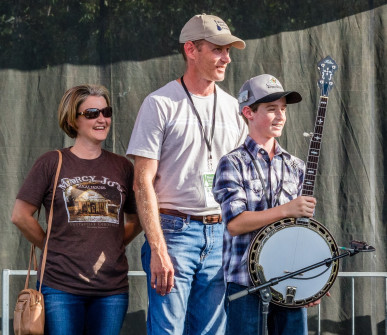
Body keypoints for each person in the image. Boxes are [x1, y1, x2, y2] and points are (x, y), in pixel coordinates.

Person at [126, 13, 247, 335]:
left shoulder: (235, 110)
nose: (226, 58)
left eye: (228, 50)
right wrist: (159, 248)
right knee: (167, 331)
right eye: (218, 49)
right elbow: (142, 182)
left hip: (221, 233)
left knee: (212, 332)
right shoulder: (160, 103)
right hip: (174, 231)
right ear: (191, 50)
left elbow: (241, 184)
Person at [11, 84, 142, 335]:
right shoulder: (52, 162)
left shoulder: (123, 167)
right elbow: (20, 216)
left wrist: (114, 244)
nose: (102, 119)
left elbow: (136, 220)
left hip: (111, 290)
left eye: (106, 112)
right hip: (60, 286)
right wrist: (51, 246)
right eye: (92, 113)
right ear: (73, 119)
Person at [212, 74, 320, 335]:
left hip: (290, 282)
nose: (281, 116)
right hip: (245, 283)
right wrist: (287, 209)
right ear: (248, 111)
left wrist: (313, 281)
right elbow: (236, 224)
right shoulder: (232, 163)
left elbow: (301, 231)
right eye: (271, 109)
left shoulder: (296, 167)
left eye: (283, 109)